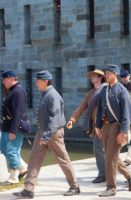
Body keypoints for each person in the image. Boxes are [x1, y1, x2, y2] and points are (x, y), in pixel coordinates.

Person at [13, 70, 80, 198]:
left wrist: (47, 135)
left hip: (52, 133)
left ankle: (74, 186)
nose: (36, 83)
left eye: (38, 81)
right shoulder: (45, 94)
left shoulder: (52, 95)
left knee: (63, 159)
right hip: (43, 131)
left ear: (45, 81)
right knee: (34, 159)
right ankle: (28, 189)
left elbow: (54, 119)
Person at [95, 64, 131, 197]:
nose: (106, 76)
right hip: (106, 126)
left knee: (111, 157)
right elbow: (100, 109)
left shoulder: (122, 91)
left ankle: (111, 187)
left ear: (115, 74)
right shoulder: (104, 90)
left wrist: (123, 131)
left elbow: (127, 114)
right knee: (110, 156)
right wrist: (98, 126)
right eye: (106, 73)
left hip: (116, 126)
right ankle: (129, 174)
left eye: (108, 73)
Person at [66, 69, 107, 183]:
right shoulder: (90, 93)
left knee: (110, 152)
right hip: (95, 126)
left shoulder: (107, 89)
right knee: (98, 150)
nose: (92, 78)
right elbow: (81, 107)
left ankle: (124, 174)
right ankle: (103, 174)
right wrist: (72, 119)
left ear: (100, 78)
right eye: (91, 76)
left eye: (94, 76)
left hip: (107, 125)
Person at [0, 70, 28, 185]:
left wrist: (13, 130)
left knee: (11, 151)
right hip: (6, 126)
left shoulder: (18, 92)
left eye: (4, 80)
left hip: (13, 127)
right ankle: (23, 167)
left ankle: (13, 176)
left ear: (11, 78)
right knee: (3, 148)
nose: (3, 82)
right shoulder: (11, 91)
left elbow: (18, 113)